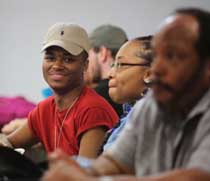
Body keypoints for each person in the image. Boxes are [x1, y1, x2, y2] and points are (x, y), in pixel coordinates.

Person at [42, 8, 210, 180]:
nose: (157, 68)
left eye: (172, 56)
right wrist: (82, 170)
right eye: (157, 56)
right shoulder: (150, 106)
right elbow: (116, 162)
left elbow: (197, 177)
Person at [0, 23, 119, 159]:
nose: (57, 65)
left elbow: (86, 173)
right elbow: (8, 143)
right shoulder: (44, 110)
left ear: (85, 65)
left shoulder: (93, 110)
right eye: (50, 58)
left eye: (68, 59)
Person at [102, 36, 152, 151]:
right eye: (113, 65)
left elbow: (113, 167)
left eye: (120, 64)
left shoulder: (148, 121)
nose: (110, 74)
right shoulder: (130, 115)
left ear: (149, 74)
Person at [86, 24, 128, 117]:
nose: (86, 62)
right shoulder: (133, 93)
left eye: (88, 54)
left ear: (102, 53)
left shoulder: (96, 97)